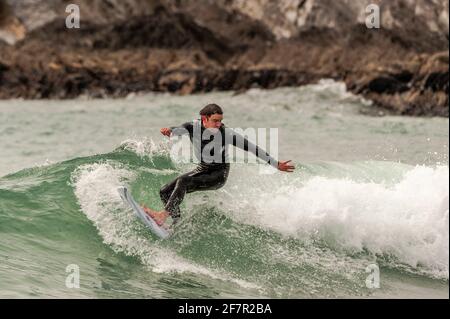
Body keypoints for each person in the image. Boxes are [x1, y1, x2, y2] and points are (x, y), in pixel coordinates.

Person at [143, 104, 295, 226]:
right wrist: (169, 131)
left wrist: (276, 164)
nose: (219, 124)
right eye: (215, 120)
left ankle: (162, 216)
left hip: (218, 175)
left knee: (183, 181)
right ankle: (175, 223)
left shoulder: (226, 134)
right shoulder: (193, 127)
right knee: (164, 191)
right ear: (204, 118)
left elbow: (252, 148)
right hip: (202, 169)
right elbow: (177, 129)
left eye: (220, 120)